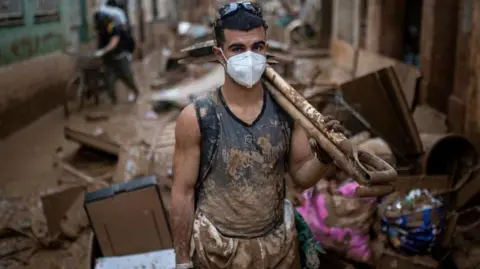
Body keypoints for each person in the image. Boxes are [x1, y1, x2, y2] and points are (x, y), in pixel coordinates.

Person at [170, 2, 347, 269]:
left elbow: (301, 176)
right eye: (238, 49)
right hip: (219, 253)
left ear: (266, 49)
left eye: (257, 47)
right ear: (220, 54)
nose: (249, 57)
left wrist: (324, 154)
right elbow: (182, 192)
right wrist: (182, 260)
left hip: (278, 250)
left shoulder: (288, 112)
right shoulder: (199, 118)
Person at [93, 10, 139, 104]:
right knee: (109, 80)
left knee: (127, 77)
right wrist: (99, 52)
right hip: (108, 59)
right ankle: (113, 100)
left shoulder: (114, 27)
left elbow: (114, 42)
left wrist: (103, 51)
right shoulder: (100, 28)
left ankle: (135, 92)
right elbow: (100, 41)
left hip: (120, 56)